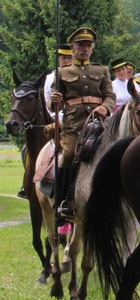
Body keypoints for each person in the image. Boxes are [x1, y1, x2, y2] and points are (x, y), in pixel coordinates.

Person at [49, 27, 116, 221]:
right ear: (72, 47)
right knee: (69, 155)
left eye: (88, 45)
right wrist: (54, 100)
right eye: (81, 45)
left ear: (92, 49)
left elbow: (110, 96)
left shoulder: (101, 70)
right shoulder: (62, 72)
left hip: (99, 124)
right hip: (74, 126)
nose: (84, 49)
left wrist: (105, 107)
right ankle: (62, 201)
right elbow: (54, 107)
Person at [18, 44, 75, 200]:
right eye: (64, 58)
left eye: (70, 57)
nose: (67, 60)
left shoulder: (79, 74)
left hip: (76, 120)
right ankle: (29, 181)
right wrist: (58, 119)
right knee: (27, 149)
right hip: (56, 119)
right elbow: (47, 103)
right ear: (58, 59)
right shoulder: (51, 78)